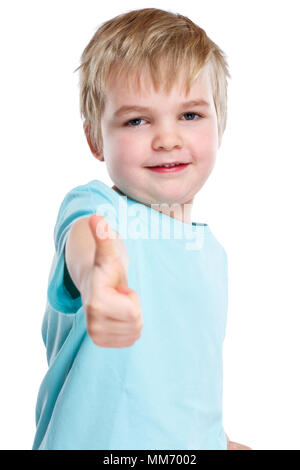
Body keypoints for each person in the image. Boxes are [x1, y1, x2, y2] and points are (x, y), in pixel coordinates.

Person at [32, 7, 252, 450]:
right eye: (137, 120)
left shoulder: (213, 254)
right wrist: (99, 281)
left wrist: (220, 441)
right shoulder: (99, 208)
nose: (167, 138)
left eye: (190, 115)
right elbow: (88, 243)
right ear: (96, 138)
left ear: (219, 124)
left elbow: (181, 389)